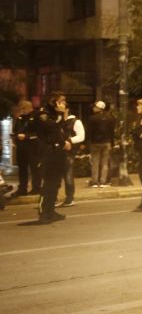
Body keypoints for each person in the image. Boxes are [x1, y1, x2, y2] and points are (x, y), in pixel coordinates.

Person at [36, 92, 71, 223]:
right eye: (62, 101)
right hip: (48, 153)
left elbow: (62, 132)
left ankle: (51, 210)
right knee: (49, 183)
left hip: (58, 152)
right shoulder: (43, 114)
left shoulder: (56, 116)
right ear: (54, 102)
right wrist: (61, 115)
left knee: (56, 183)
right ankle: (44, 212)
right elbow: (52, 129)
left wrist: (65, 142)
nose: (64, 103)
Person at [12, 100, 41, 196]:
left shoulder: (36, 117)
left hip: (32, 146)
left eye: (23, 108)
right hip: (21, 147)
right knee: (22, 168)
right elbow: (15, 131)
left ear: (29, 107)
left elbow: (39, 133)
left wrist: (26, 136)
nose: (22, 110)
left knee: (34, 168)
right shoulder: (20, 118)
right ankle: (22, 188)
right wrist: (15, 138)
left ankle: (36, 188)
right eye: (21, 108)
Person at [60, 106, 86, 207]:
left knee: (68, 175)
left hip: (69, 151)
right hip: (59, 150)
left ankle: (69, 197)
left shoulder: (75, 121)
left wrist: (69, 141)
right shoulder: (59, 121)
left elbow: (81, 136)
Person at [86, 100, 115, 187]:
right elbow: (112, 132)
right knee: (105, 162)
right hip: (106, 142)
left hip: (95, 142)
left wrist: (87, 142)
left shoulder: (92, 118)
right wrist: (112, 143)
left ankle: (95, 181)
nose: (93, 108)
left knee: (95, 162)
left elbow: (89, 131)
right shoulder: (110, 118)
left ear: (99, 108)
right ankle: (103, 181)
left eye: (95, 107)